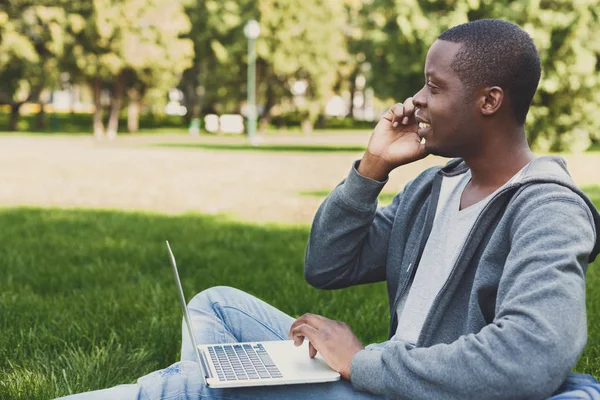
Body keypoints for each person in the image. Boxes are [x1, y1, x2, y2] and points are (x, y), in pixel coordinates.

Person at [58, 19, 600, 400]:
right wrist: (371, 170)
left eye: (434, 87)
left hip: (404, 389)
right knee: (219, 307)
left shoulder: (546, 209)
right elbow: (328, 265)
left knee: (205, 386)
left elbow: (530, 353)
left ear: (489, 100)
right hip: (379, 377)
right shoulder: (436, 188)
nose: (415, 102)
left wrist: (361, 361)